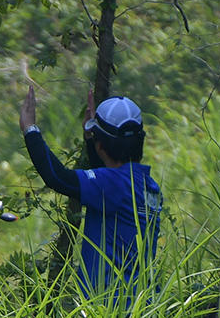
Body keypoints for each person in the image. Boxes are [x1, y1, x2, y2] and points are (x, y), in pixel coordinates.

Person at [18, 86, 162, 301]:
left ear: (101, 145)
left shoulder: (113, 185)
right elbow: (105, 182)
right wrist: (91, 138)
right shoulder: (147, 185)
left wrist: (30, 129)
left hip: (112, 314)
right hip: (142, 308)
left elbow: (57, 178)